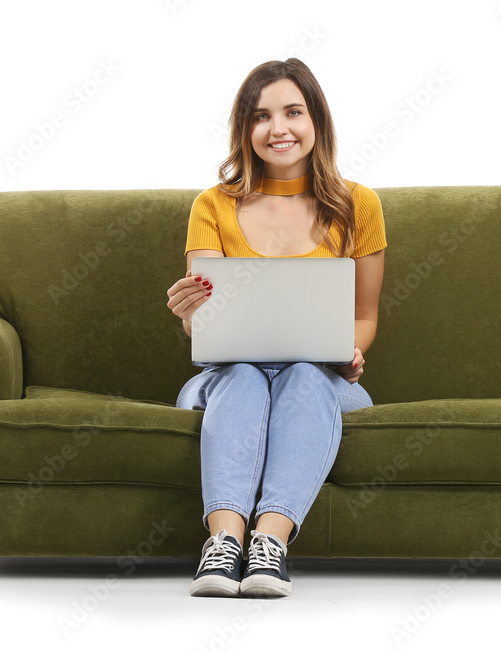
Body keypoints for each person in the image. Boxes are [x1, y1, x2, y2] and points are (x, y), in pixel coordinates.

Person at [165, 58, 386, 598]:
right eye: (261, 116)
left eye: (293, 112)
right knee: (242, 373)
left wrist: (348, 352)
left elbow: (364, 316)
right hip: (227, 377)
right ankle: (221, 547)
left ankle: (270, 545)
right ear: (245, 129)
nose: (278, 128)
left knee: (307, 376)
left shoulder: (358, 205)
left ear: (317, 122)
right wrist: (192, 315)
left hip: (323, 381)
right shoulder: (212, 206)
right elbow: (209, 327)